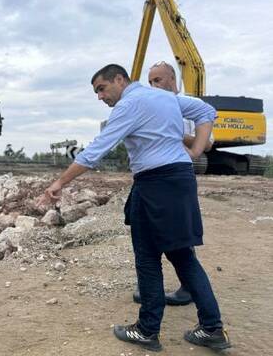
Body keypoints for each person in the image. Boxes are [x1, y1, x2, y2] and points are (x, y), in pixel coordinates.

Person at [36, 64, 230, 352]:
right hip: (180, 179)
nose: (100, 97)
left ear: (119, 79)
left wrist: (59, 183)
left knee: (147, 257)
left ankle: (147, 330)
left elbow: (96, 151)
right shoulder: (165, 98)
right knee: (182, 255)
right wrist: (196, 150)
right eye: (96, 92)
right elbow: (205, 111)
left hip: (155, 184)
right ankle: (212, 328)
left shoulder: (129, 105)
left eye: (102, 88)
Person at [129, 61, 214, 307]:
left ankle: (188, 289)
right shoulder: (151, 105)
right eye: (150, 81)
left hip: (176, 176)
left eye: (158, 80)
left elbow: (207, 143)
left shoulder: (186, 106)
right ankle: (152, 289)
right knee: (150, 236)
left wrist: (174, 134)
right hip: (153, 176)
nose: (153, 85)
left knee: (179, 240)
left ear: (171, 79)